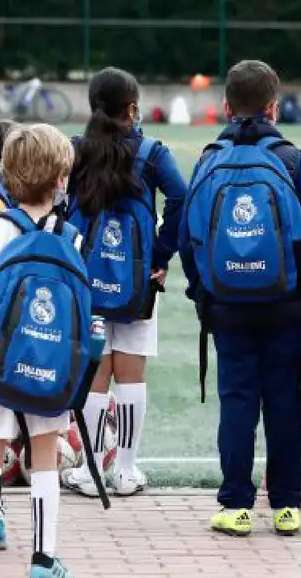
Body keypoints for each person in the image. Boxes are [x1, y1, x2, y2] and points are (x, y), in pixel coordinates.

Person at [179, 59, 301, 537]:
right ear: (274, 107)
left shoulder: (209, 157)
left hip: (227, 305)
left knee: (237, 401)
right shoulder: (291, 159)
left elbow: (188, 238)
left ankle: (236, 506)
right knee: (284, 401)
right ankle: (287, 506)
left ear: (226, 106)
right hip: (287, 304)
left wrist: (201, 292)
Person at [0, 123, 78, 578]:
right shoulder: (71, 236)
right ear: (60, 179)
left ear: (7, 176)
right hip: (48, 365)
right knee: (44, 459)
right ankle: (44, 562)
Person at [62, 67, 187, 498]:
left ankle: (91, 470)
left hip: (84, 277)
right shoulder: (152, 152)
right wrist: (160, 255)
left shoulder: (75, 150)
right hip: (137, 279)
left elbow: (56, 201)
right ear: (133, 109)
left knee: (95, 370)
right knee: (132, 372)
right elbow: (181, 197)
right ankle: (126, 471)